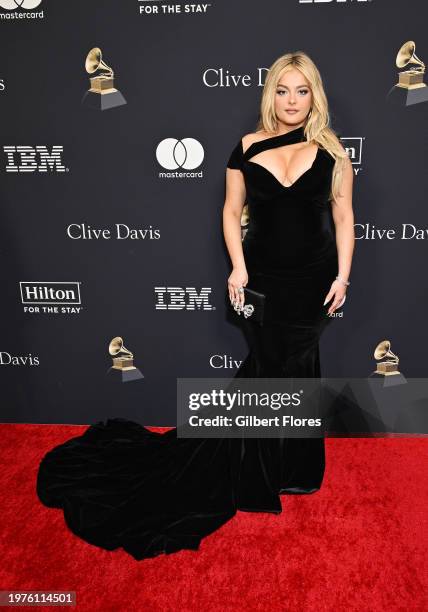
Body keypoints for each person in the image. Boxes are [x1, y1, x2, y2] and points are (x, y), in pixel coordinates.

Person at [36, 51, 355, 561]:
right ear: (269, 93)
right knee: (273, 370)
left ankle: (292, 469)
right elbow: (232, 212)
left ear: (314, 95)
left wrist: (342, 275)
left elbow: (344, 219)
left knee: (295, 369)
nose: (292, 100)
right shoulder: (246, 148)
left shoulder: (333, 151)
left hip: (314, 283)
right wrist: (238, 268)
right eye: (282, 90)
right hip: (263, 282)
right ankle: (265, 472)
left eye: (302, 90)